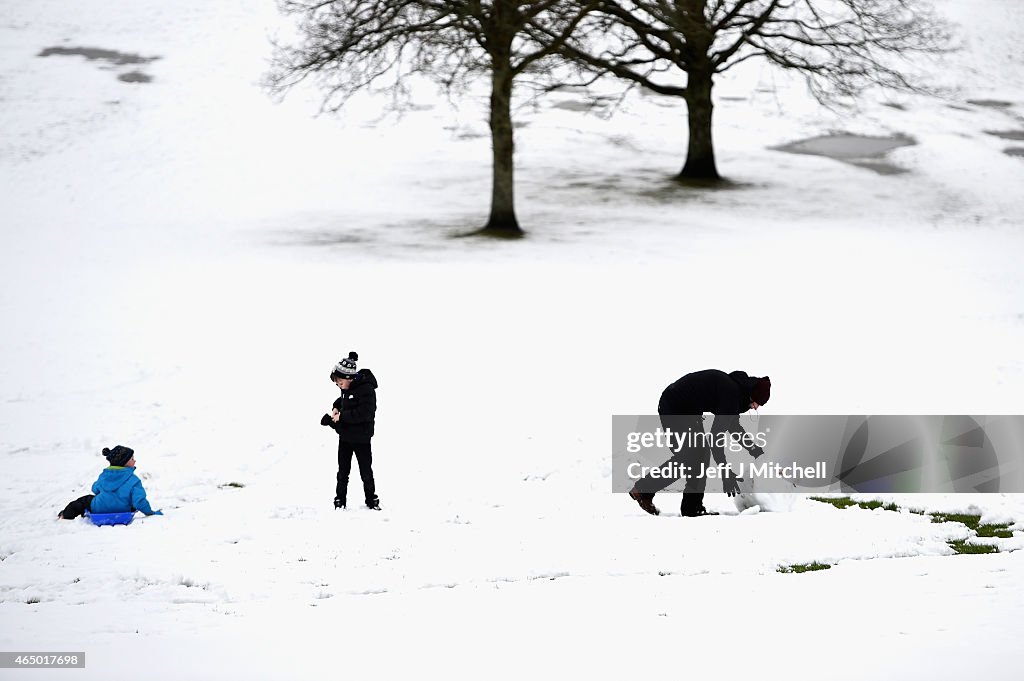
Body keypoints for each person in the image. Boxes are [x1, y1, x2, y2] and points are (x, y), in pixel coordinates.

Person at [629, 370, 770, 517]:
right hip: (676, 407)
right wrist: (725, 472)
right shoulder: (732, 394)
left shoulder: (736, 391)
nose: (755, 407)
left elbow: (733, 427)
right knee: (692, 456)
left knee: (697, 456)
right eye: (757, 402)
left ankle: (686, 505)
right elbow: (716, 438)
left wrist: (755, 450)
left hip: (683, 408)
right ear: (752, 394)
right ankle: (657, 495)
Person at [321, 351, 380, 510]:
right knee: (342, 471)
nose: (340, 387)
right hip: (345, 438)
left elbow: (365, 412)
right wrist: (336, 407)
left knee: (366, 471)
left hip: (362, 439)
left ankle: (371, 499)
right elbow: (344, 400)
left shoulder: (367, 390)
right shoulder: (347, 388)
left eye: (340, 384)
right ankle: (340, 499)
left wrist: (342, 417)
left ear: (349, 378)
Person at [57, 445, 162, 519]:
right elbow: (139, 501)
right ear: (124, 463)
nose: (135, 461)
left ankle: (65, 515)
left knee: (83, 501)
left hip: (98, 508)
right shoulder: (134, 480)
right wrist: (150, 513)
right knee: (131, 500)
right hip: (123, 510)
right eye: (132, 459)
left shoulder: (105, 476)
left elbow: (95, 489)